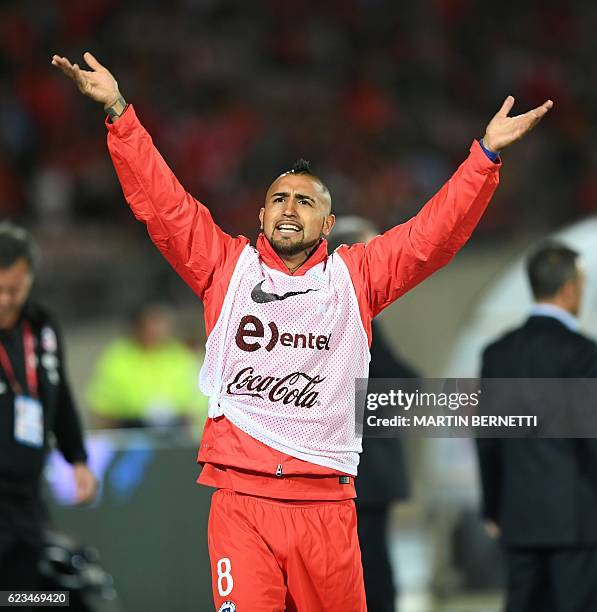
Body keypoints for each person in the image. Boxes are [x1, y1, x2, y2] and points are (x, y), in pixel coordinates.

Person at [52, 50, 552, 610]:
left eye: (305, 200)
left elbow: (430, 238)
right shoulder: (225, 268)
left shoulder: (356, 279)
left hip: (326, 505)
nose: (290, 208)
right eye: (278, 199)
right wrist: (120, 112)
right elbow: (164, 206)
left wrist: (483, 158)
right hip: (241, 501)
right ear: (262, 216)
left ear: (329, 223)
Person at [476, 242, 597, 612]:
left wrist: (492, 507)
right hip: (578, 520)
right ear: (570, 288)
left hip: (519, 518)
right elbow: (596, 439)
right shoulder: (583, 353)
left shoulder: (497, 353)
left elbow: (488, 437)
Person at [0, 222, 96, 591]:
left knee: (24, 595)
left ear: (29, 279)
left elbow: (59, 397)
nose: (6, 299)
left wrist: (78, 459)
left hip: (27, 495)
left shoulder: (42, 328)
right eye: (0, 288)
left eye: (15, 289)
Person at [328, 216, 418, 612]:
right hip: (359, 469)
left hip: (348, 470)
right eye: (375, 249)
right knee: (370, 566)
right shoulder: (352, 318)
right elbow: (405, 384)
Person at [86, 303, 207, 429]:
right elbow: (101, 407)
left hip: (177, 432)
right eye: (152, 323)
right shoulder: (118, 357)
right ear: (137, 326)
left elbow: (198, 404)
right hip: (130, 432)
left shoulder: (181, 356)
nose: (157, 330)